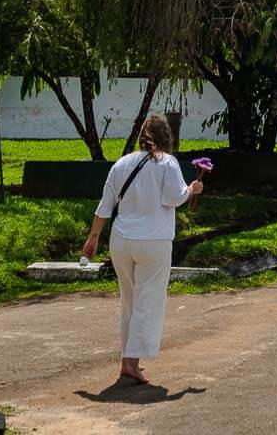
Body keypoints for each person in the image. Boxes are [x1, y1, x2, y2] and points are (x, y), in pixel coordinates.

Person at [81, 114, 202, 385]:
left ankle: (129, 357)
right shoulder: (166, 162)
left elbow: (104, 206)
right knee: (149, 301)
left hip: (121, 241)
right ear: (166, 137)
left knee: (130, 300)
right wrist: (193, 189)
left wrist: (93, 238)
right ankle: (131, 363)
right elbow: (174, 197)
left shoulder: (122, 163)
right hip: (154, 242)